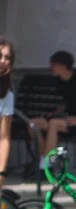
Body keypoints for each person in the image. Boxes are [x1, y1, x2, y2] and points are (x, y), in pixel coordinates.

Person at [29, 51, 76, 173]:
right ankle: (43, 160)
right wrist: (55, 112)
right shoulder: (60, 81)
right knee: (34, 124)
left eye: (53, 65)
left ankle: (46, 166)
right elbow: (68, 101)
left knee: (53, 124)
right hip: (69, 119)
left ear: (63, 66)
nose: (50, 68)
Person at [0, 37, 15, 190]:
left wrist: (2, 172)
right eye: (0, 56)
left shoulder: (7, 96)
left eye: (7, 57)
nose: (3, 61)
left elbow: (4, 137)